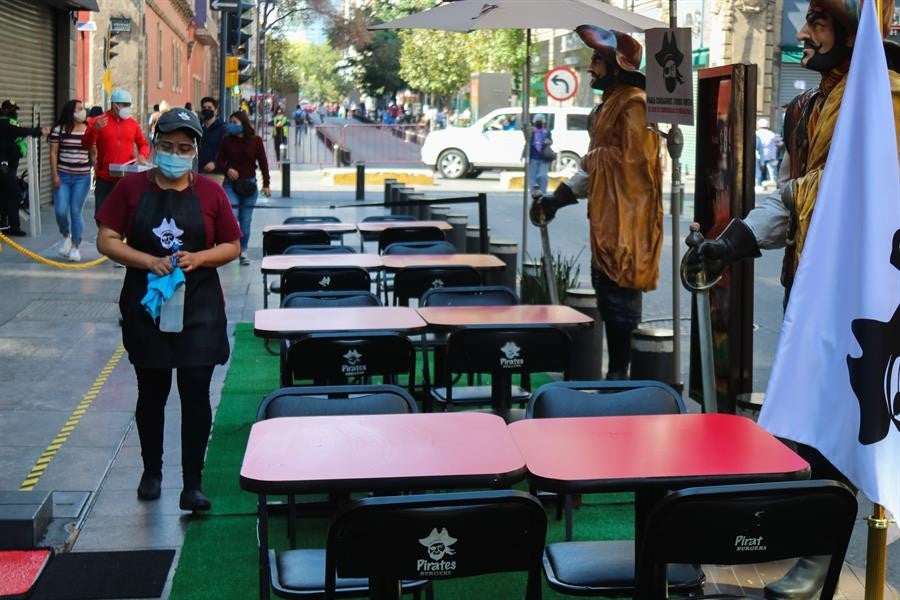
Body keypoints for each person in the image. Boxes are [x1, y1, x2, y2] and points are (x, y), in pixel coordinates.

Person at [685, 0, 899, 596]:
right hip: (813, 282)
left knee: (848, 417)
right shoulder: (813, 102)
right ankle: (810, 541)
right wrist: (733, 241)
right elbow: (795, 193)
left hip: (866, 293)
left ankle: (820, 557)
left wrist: (749, 230)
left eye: (819, 23)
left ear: (852, 31)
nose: (803, 33)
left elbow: (854, 190)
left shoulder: (886, 97)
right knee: (810, 415)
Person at [95, 107, 241, 512]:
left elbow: (232, 245)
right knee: (152, 391)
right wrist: (148, 261)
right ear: (154, 145)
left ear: (195, 151)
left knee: (195, 391)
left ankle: (192, 483)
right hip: (147, 305)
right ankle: (151, 471)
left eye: (183, 147)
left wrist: (200, 258)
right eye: (167, 145)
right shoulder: (131, 188)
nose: (174, 154)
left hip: (199, 307)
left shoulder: (210, 192)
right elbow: (107, 239)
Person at [530, 25, 662, 380]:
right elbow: (593, 171)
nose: (590, 68)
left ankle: (619, 373)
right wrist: (557, 199)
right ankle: (615, 372)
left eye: (597, 60)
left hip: (627, 224)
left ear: (616, 65)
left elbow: (632, 164)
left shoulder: (634, 104)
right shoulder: (609, 106)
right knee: (606, 292)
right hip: (607, 220)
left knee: (619, 299)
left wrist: (594, 159)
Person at [81, 88, 150, 217]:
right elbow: (85, 145)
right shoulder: (98, 121)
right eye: (124, 105)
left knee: (125, 215)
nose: (127, 108)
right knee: (101, 215)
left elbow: (143, 144)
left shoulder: (133, 124)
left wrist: (142, 155)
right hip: (104, 178)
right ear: (114, 105)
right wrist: (94, 130)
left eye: (129, 105)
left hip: (126, 178)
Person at [215, 110, 271, 265]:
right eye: (230, 122)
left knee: (246, 222)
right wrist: (228, 170)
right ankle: (230, 247)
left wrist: (266, 184)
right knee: (232, 214)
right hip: (230, 184)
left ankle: (243, 251)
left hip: (249, 185)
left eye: (235, 122)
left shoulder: (255, 141)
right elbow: (219, 161)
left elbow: (263, 163)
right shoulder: (226, 140)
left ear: (243, 123)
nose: (231, 125)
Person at [49, 99, 92, 261]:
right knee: (60, 210)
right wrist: (54, 175)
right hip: (63, 176)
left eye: (82, 108)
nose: (82, 111)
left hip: (82, 177)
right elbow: (53, 153)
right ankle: (66, 236)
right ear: (70, 112)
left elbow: (94, 152)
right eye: (79, 109)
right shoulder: (59, 130)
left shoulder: (88, 130)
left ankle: (75, 246)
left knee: (75, 211)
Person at [0, 99, 49, 235]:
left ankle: (5, 224)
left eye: (15, 110)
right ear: (4, 110)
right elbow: (21, 131)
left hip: (8, 166)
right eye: (12, 110)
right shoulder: (5, 123)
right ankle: (13, 227)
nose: (14, 113)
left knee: (5, 194)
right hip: (4, 167)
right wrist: (39, 131)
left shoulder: (7, 124)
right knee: (15, 194)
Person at [197, 96, 225, 184]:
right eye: (204, 108)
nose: (206, 110)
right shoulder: (198, 127)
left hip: (216, 173)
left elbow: (224, 150)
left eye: (209, 108)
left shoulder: (222, 128)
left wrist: (215, 163)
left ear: (216, 110)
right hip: (199, 171)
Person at [523, 113, 553, 195]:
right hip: (533, 157)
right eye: (537, 121)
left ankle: (543, 193)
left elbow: (551, 141)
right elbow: (525, 134)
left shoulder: (547, 131)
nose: (539, 122)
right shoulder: (531, 131)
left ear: (543, 122)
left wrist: (548, 142)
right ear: (534, 122)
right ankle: (534, 194)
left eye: (541, 121)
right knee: (532, 178)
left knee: (543, 176)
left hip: (544, 158)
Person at [755, 117, 780, 187]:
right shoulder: (771, 134)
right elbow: (776, 146)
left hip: (758, 156)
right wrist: (774, 156)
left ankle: (759, 185)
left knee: (758, 174)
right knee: (772, 175)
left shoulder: (756, 134)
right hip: (770, 156)